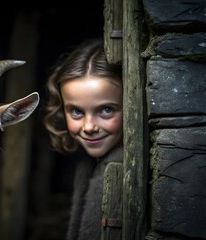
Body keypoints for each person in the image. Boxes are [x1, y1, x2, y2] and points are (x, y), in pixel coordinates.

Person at [43, 38, 123, 240]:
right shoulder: (85, 168)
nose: (89, 127)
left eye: (106, 110)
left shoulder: (131, 171)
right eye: (76, 112)